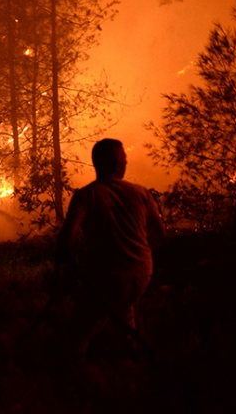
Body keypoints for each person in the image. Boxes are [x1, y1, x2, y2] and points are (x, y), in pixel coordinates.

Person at [56, 138, 165, 360]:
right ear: (117, 164)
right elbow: (160, 234)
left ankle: (72, 368)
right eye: (124, 158)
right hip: (141, 273)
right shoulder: (142, 193)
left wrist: (65, 268)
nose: (126, 162)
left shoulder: (87, 195)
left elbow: (67, 235)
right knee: (124, 310)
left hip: (107, 276)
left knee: (80, 326)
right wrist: (140, 256)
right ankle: (132, 361)